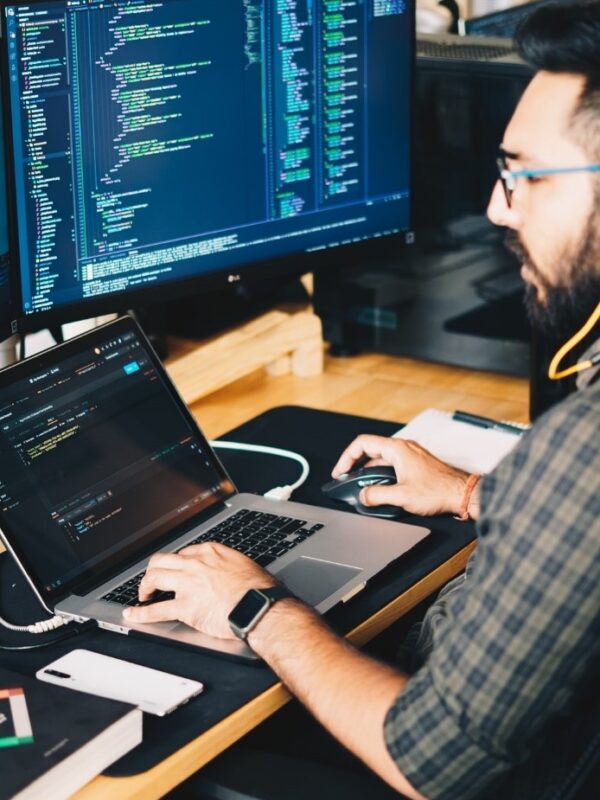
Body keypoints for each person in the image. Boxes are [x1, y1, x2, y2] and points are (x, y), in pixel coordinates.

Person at [125, 3, 600, 798]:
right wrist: (472, 491)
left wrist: (252, 607)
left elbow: (431, 763)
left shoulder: (582, 446)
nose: (496, 208)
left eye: (524, 173)